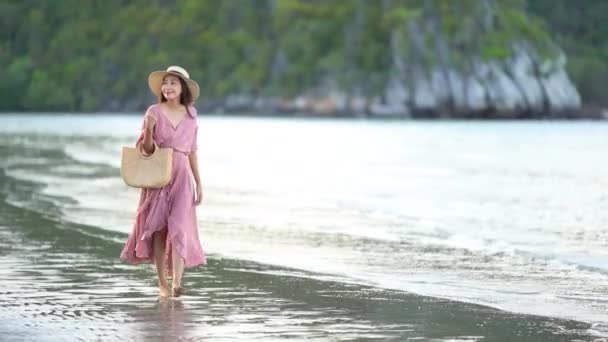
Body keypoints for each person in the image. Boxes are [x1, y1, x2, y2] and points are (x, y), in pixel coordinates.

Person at [120, 66, 207, 298]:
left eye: (173, 83)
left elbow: (192, 151)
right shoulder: (153, 111)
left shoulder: (191, 114)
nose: (168, 86)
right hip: (158, 176)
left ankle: (178, 283)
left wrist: (199, 182)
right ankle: (162, 282)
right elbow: (147, 150)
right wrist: (148, 128)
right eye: (165, 82)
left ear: (182, 89)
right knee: (158, 229)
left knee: (180, 226)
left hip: (182, 177)